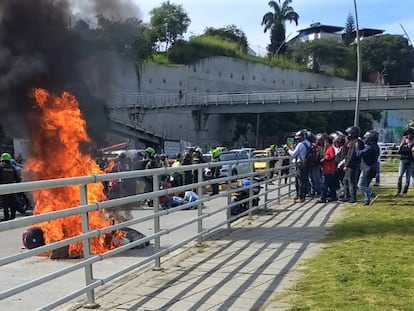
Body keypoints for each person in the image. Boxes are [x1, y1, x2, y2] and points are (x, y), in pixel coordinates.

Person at [284, 129, 311, 203]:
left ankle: (301, 197)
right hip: (307, 163)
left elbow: (293, 154)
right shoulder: (308, 143)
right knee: (305, 180)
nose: (297, 139)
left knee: (300, 180)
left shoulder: (300, 144)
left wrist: (288, 150)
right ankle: (303, 195)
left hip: (300, 163)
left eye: (298, 138)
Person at [341, 126, 364, 203]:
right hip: (350, 165)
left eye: (349, 133)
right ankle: (346, 196)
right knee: (345, 181)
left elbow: (352, 155)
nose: (348, 135)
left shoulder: (357, 142)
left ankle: (353, 198)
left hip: (352, 165)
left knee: (351, 181)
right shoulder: (352, 142)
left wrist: (346, 165)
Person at [357, 130, 380, 205]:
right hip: (372, 168)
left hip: (367, 169)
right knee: (366, 184)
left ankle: (373, 194)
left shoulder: (369, 148)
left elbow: (359, 154)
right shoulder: (376, 146)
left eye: (366, 138)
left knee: (361, 185)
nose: (365, 139)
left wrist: (357, 147)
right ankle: (367, 200)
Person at [317, 134, 337, 203]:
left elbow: (332, 157)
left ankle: (323, 197)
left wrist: (324, 159)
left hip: (329, 169)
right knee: (331, 184)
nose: (324, 143)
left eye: (325, 142)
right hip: (328, 169)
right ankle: (333, 196)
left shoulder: (330, 148)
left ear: (327, 142)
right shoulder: (328, 148)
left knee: (325, 184)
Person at [0, 153, 21, 221]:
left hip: (3, 188)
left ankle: (6, 217)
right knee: (13, 201)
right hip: (12, 187)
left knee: (5, 202)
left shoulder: (0, 166)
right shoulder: (12, 167)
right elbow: (17, 178)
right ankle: (13, 216)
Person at [396, 127, 414, 196]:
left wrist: (408, 150)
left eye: (411, 134)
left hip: (410, 162)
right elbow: (399, 151)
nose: (409, 135)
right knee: (400, 176)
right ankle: (399, 190)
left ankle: (405, 191)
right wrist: (408, 149)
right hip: (403, 161)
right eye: (408, 134)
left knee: (408, 177)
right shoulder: (403, 141)